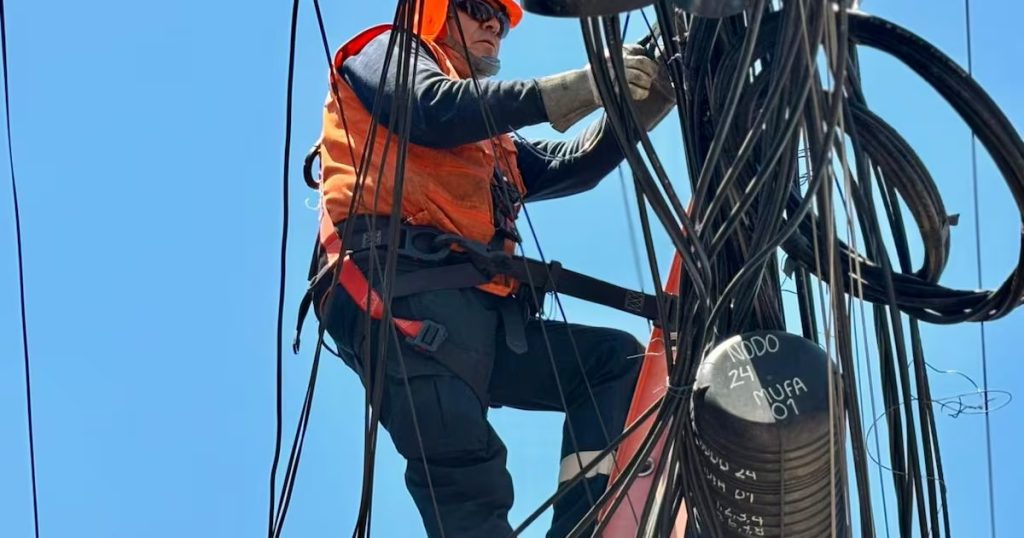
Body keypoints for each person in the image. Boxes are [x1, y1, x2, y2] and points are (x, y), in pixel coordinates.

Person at [312, 0, 676, 536]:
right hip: (401, 294)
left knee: (614, 363)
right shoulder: (384, 52)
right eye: (479, 9)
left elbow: (568, 166)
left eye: (502, 22)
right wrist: (580, 86)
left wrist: (644, 98)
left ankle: (584, 528)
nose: (493, 27)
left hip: (478, 321)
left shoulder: (490, 139)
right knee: (469, 485)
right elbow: (430, 107)